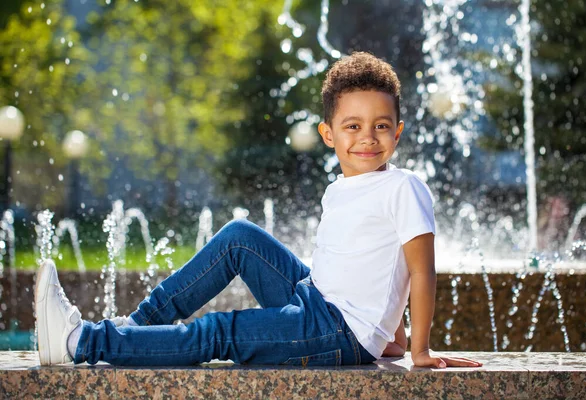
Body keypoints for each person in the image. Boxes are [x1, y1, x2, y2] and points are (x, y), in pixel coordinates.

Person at [35, 52, 481, 369]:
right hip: (317, 301)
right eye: (353, 126)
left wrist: (418, 348)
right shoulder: (340, 188)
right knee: (239, 236)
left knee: (219, 332)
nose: (368, 137)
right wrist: (390, 335)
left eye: (381, 126)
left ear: (398, 132)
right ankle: (138, 325)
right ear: (329, 134)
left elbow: (420, 271)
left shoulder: (403, 187)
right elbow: (369, 267)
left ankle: (80, 342)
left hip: (335, 331)